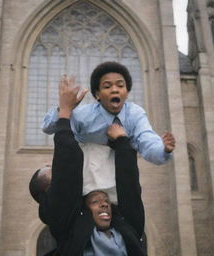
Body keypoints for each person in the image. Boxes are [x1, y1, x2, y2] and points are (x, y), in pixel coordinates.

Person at [29, 97, 147, 255]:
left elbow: (129, 187)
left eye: (105, 201)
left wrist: (121, 142)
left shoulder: (128, 229)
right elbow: (66, 174)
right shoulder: (67, 228)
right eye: (95, 202)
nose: (105, 204)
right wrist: (64, 114)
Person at [41, 61, 175, 165]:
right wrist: (65, 108)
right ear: (97, 95)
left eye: (120, 86)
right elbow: (48, 128)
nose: (115, 90)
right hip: (85, 174)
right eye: (107, 86)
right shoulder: (84, 115)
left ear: (127, 93)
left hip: (120, 177)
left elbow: (147, 141)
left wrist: (163, 149)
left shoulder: (135, 114)